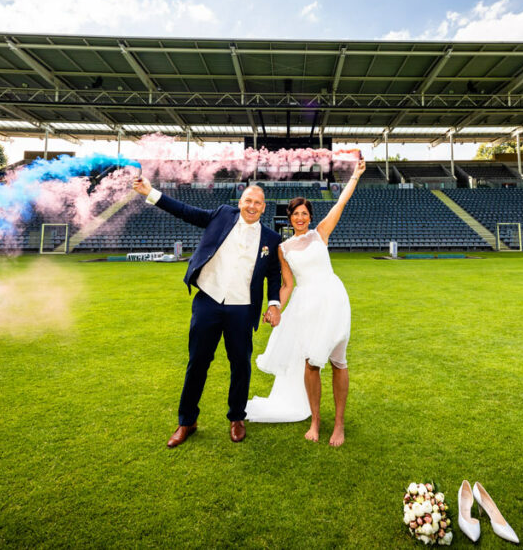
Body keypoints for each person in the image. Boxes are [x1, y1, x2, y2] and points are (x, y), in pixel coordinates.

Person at [132, 177, 282, 447]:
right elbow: (185, 212)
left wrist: (274, 303)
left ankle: (237, 418)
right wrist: (150, 192)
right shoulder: (222, 215)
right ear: (240, 202)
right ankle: (186, 421)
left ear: (264, 208)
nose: (252, 206)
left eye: (257, 203)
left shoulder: (271, 238)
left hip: (242, 308)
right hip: (208, 301)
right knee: (198, 362)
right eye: (248, 200)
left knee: (241, 365)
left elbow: (273, 275)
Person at [246, 159, 365, 446]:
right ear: (290, 218)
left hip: (333, 300)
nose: (300, 218)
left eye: (304, 213)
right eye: (295, 214)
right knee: (311, 364)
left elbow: (341, 203)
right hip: (306, 306)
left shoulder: (320, 234)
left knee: (338, 361)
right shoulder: (283, 248)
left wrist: (356, 176)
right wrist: (274, 307)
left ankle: (339, 424)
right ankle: (315, 419)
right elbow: (287, 285)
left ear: (310, 217)